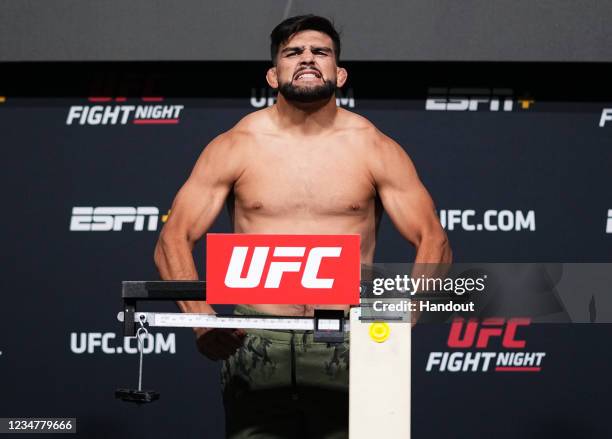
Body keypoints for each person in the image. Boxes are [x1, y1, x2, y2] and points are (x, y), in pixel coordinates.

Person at [154, 14, 451, 439]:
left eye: (321, 52)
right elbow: (173, 237)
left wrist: (403, 318)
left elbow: (433, 240)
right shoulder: (235, 146)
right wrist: (201, 321)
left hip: (352, 336)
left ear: (340, 72)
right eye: (293, 52)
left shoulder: (374, 147)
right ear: (273, 75)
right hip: (257, 340)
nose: (307, 59)